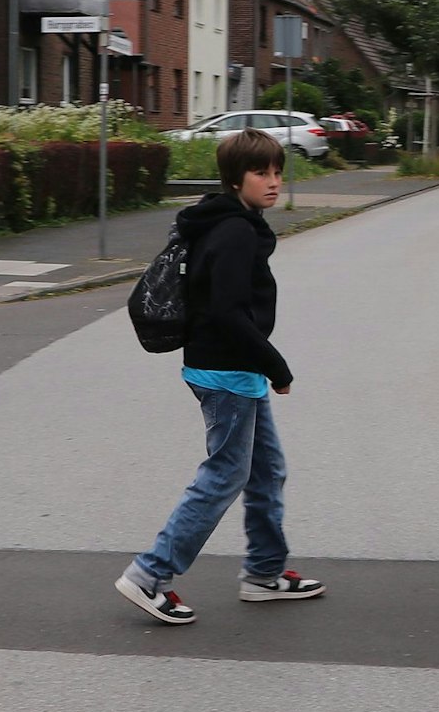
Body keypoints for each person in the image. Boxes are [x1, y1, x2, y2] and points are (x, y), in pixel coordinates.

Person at [115, 129, 325, 624]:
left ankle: (264, 572)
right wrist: (276, 365)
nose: (274, 181)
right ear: (236, 179)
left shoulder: (234, 221)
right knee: (226, 473)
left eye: (278, 171)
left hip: (232, 366)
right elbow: (229, 312)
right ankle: (150, 574)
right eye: (262, 173)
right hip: (226, 368)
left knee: (266, 470)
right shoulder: (233, 232)